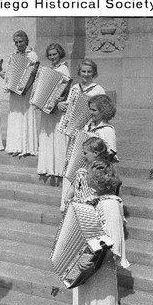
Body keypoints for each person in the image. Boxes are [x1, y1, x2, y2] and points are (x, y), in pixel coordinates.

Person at [74, 160, 128, 305]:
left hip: (102, 269)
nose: (85, 179)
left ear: (97, 180)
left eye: (89, 176)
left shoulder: (111, 205)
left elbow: (112, 243)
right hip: (90, 267)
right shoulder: (93, 201)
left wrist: (91, 262)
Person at [63, 136, 115, 305]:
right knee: (78, 263)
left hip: (92, 221)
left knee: (88, 263)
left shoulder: (103, 172)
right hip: (79, 217)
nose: (83, 156)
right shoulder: (81, 172)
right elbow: (70, 194)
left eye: (85, 153)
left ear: (96, 154)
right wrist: (71, 202)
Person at [58, 59, 106, 210]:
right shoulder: (74, 88)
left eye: (89, 72)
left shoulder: (98, 90)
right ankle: (65, 203)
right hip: (73, 132)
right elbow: (69, 106)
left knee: (84, 167)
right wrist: (62, 105)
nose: (86, 74)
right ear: (79, 72)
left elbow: (103, 111)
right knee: (70, 165)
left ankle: (83, 202)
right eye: (83, 71)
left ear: (94, 73)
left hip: (88, 133)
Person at [36, 43, 71, 178]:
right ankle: (47, 166)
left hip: (56, 109)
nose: (52, 57)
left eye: (54, 54)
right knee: (47, 136)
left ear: (60, 54)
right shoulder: (48, 69)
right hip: (46, 109)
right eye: (50, 55)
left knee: (57, 137)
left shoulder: (63, 69)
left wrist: (56, 103)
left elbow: (65, 91)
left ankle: (59, 168)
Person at [4, 30, 39, 157]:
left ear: (26, 41)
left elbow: (34, 74)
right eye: (16, 42)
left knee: (25, 116)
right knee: (15, 116)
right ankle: (15, 146)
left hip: (26, 91)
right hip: (14, 91)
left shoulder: (32, 55)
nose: (18, 44)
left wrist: (25, 88)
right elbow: (10, 71)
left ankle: (26, 147)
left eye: (21, 41)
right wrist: (8, 83)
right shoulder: (13, 55)